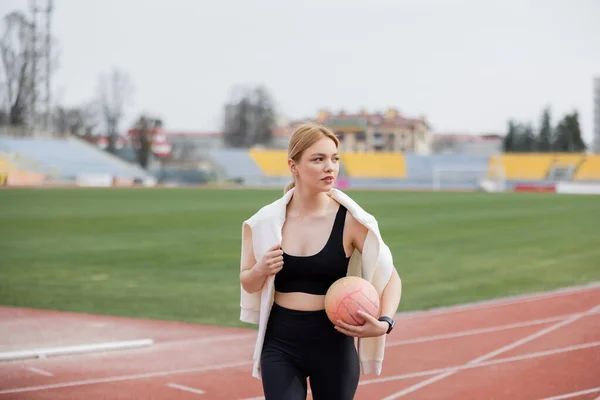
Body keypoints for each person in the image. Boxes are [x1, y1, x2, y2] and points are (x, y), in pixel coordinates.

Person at [239, 123, 402, 400]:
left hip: (334, 343)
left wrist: (385, 322)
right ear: (294, 165)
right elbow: (247, 282)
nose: (331, 167)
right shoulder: (266, 222)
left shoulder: (351, 220)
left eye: (334, 159)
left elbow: (390, 276)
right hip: (280, 342)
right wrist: (260, 270)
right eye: (318, 159)